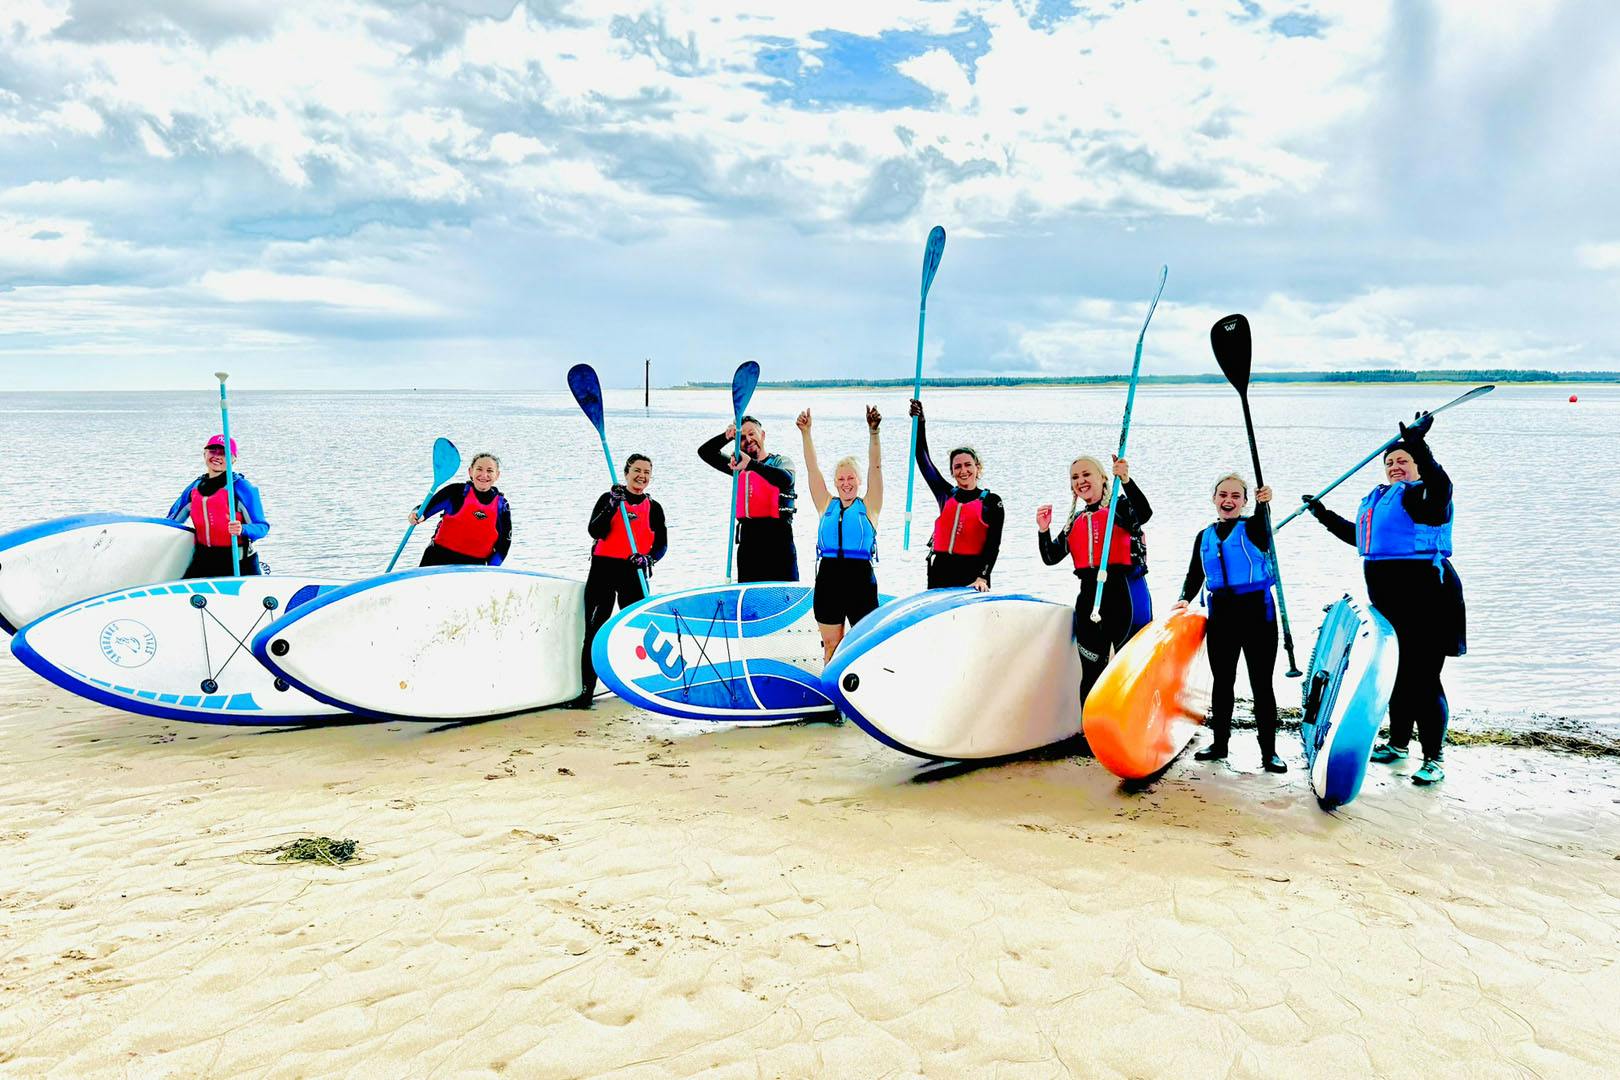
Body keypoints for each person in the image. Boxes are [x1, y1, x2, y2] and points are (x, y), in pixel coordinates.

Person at [1301, 411, 1464, 786]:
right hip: (1390, 606)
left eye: (1403, 460)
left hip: (1429, 603)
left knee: (1424, 681)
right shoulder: (1382, 500)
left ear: (1417, 465)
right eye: (1390, 462)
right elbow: (1359, 538)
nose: (1395, 467)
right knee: (1396, 677)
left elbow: (1442, 488)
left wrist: (1421, 447)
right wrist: (1322, 514)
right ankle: (1398, 745)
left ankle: (1434, 758)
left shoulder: (1425, 497)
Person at [1172, 473, 1285, 772]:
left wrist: (1264, 504)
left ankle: (1269, 753)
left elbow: (1262, 527)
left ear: (1245, 501)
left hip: (1257, 613)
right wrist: (1184, 598)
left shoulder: (1255, 529)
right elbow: (1195, 574)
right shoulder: (1204, 536)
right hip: (1222, 614)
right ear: (1214, 498)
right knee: (1222, 682)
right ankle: (1219, 744)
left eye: (1236, 496)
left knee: (1262, 684)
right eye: (1223, 495)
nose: (1228, 500)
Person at [1037, 455, 1153, 703]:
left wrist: (1126, 479)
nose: (1081, 481)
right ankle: (1089, 724)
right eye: (1075, 477)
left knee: (1129, 671)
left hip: (1125, 597)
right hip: (1090, 601)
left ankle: (1133, 720)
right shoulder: (1076, 521)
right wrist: (1043, 530)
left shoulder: (1119, 509)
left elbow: (1144, 513)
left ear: (1103, 478)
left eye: (1086, 474)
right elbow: (1051, 556)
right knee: (1091, 673)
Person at [574, 454, 667, 709]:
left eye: (647, 472)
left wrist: (648, 558)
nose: (642, 476)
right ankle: (586, 693)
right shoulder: (609, 498)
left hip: (633, 573)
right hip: (603, 571)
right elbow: (595, 531)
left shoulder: (654, 508)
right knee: (593, 632)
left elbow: (661, 545)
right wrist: (613, 505)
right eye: (637, 470)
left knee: (635, 633)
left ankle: (635, 687)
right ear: (626, 473)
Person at [798, 406, 883, 662]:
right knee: (831, 646)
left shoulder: (870, 506)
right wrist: (806, 433)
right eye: (841, 479)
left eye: (851, 478)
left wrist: (874, 433)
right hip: (829, 579)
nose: (846, 483)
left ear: (859, 481)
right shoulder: (826, 504)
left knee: (862, 645)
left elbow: (876, 467)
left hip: (860, 581)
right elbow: (812, 469)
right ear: (835, 482)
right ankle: (830, 686)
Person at [908, 398, 1003, 591]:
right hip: (940, 572)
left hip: (973, 576)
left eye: (968, 465)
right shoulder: (945, 495)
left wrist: (983, 577)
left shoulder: (992, 502)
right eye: (957, 466)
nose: (963, 470)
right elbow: (923, 459)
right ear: (952, 471)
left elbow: (993, 545)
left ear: (977, 467)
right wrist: (920, 422)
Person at [698, 415, 799, 582]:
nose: (749, 440)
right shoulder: (738, 468)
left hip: (779, 542)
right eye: (742, 437)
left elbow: (786, 479)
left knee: (782, 593)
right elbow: (705, 452)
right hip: (749, 544)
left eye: (752, 434)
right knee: (750, 596)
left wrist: (751, 464)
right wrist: (726, 436)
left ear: (763, 435)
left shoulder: (781, 462)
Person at [166, 433, 270, 578]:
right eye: (212, 451)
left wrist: (242, 529)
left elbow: (262, 528)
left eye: (223, 453)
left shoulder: (242, 488)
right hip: (203, 560)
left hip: (238, 563)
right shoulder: (194, 488)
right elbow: (171, 521)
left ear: (233, 459)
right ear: (204, 454)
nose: (217, 456)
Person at [408, 453, 511, 567]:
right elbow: (424, 509)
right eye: (479, 469)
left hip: (475, 566)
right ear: (470, 471)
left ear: (497, 475)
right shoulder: (456, 492)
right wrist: (415, 515)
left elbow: (504, 544)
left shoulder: (502, 506)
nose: (484, 475)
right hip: (438, 559)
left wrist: (491, 568)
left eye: (490, 471)